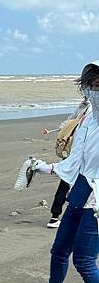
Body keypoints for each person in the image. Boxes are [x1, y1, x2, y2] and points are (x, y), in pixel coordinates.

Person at [26, 60, 99, 283]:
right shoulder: (89, 118)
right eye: (90, 86)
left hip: (98, 199)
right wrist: (47, 168)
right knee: (60, 249)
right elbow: (77, 160)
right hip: (81, 189)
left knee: (84, 258)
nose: (94, 92)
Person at [45, 96, 90, 229]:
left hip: (72, 151)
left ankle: (55, 216)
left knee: (65, 182)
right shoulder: (88, 108)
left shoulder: (84, 106)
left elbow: (66, 125)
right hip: (83, 154)